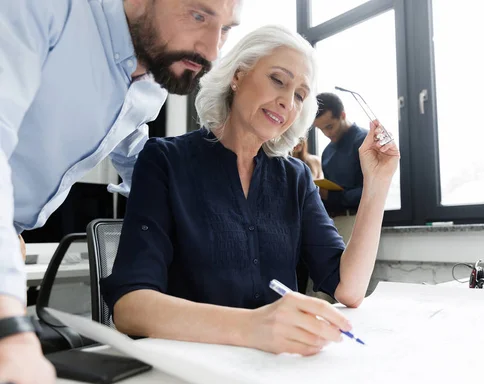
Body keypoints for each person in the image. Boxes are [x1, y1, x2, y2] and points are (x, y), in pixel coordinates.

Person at [100, 25, 400, 357]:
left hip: (273, 371)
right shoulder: (164, 161)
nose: (287, 101)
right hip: (194, 369)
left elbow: (349, 289)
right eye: (278, 80)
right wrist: (253, 327)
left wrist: (377, 182)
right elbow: (129, 307)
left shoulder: (296, 178)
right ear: (238, 76)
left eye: (300, 95)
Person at [0, 0, 242, 384]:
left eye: (227, 29)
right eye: (198, 15)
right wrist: (9, 327)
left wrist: (197, 223)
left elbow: (133, 155)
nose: (213, 51)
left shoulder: (150, 88)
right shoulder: (51, 11)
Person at [313, 92, 368, 244]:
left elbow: (371, 191)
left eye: (330, 126)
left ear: (342, 115)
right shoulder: (327, 153)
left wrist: (331, 196)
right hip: (332, 222)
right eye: (321, 129)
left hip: (358, 221)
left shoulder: (364, 142)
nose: (327, 133)